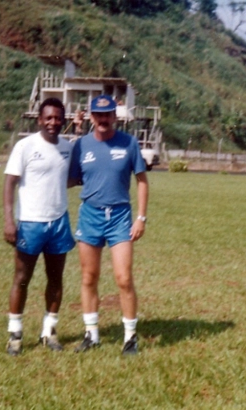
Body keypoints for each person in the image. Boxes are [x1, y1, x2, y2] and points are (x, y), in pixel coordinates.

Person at [68, 95, 149, 355]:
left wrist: (141, 217)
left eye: (108, 114)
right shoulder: (81, 145)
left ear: (115, 116)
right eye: (98, 115)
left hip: (120, 217)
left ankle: (130, 338)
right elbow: (71, 179)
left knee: (124, 278)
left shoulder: (129, 143)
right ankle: (91, 335)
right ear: (91, 117)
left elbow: (142, 181)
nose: (103, 119)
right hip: (90, 216)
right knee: (89, 277)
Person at [3, 97, 75, 356]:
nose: (53, 122)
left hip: (59, 222)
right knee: (22, 279)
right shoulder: (25, 146)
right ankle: (15, 334)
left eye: (57, 118)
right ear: (39, 119)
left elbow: (69, 178)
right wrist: (9, 220)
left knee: (55, 279)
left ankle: (49, 332)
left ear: (63, 120)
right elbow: (10, 182)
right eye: (48, 118)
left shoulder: (67, 148)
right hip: (30, 223)